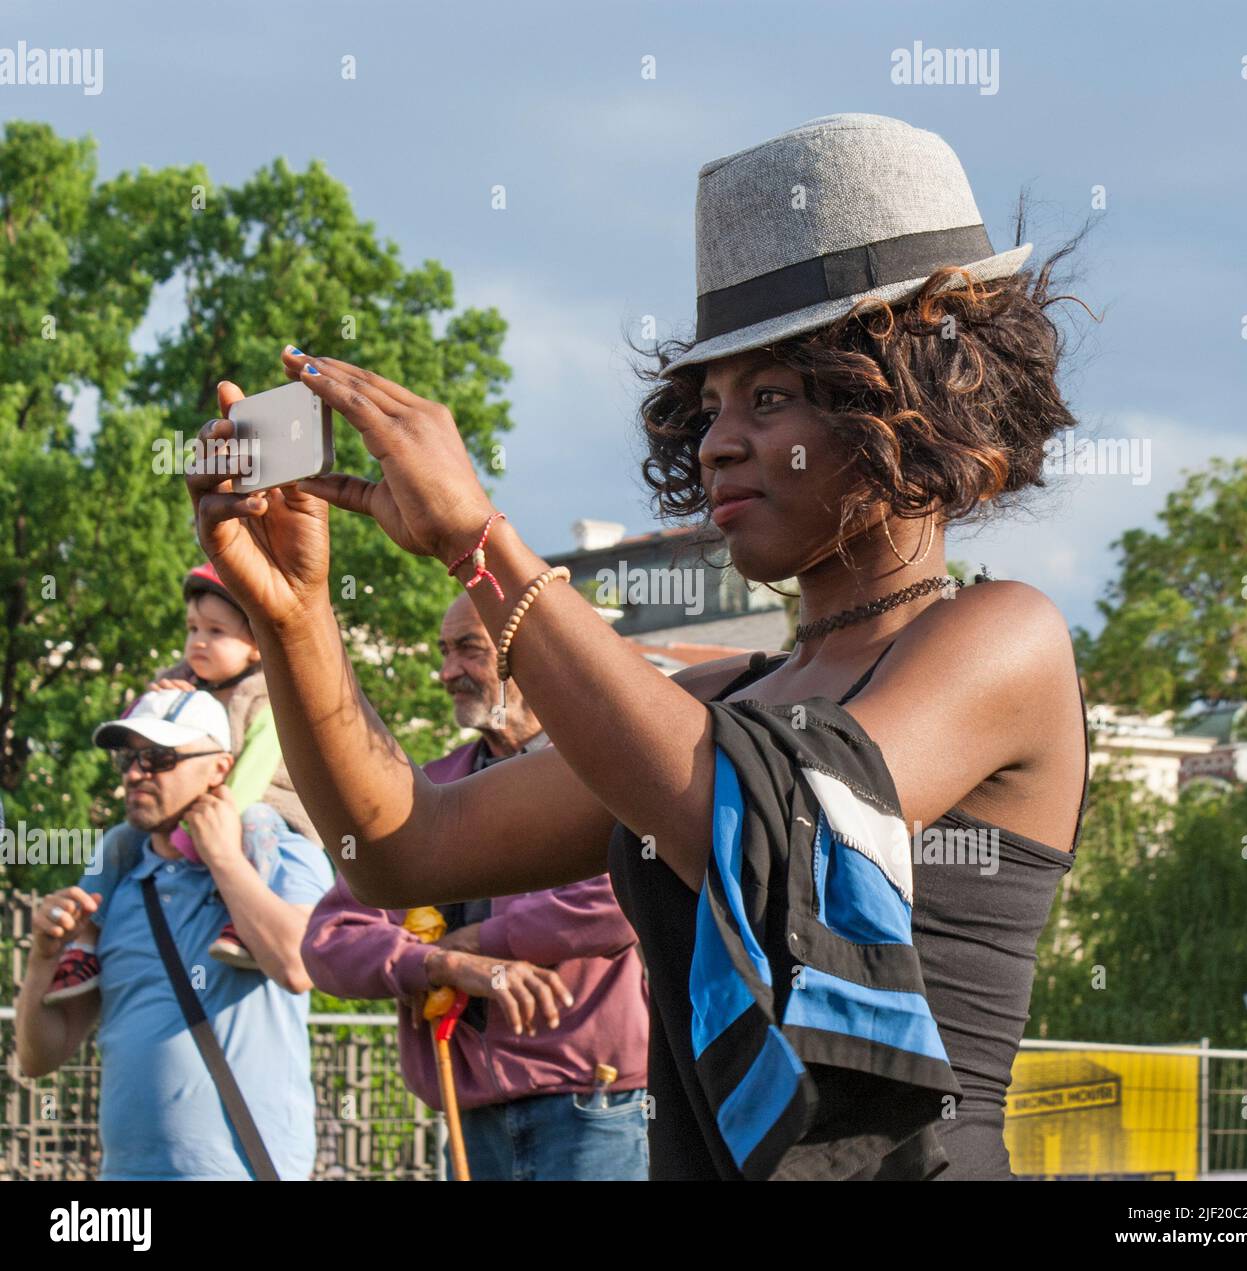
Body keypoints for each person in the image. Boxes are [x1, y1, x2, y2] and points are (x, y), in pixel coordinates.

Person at [186, 113, 1091, 1181]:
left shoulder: (1002, 636)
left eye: (769, 396)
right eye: (705, 406)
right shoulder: (716, 700)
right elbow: (398, 849)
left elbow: (758, 820)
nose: (715, 441)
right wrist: (296, 618)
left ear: (908, 397)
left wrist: (483, 545)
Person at [302, 594, 650, 1181]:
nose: (446, 672)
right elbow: (330, 941)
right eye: (444, 651)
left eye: (469, 649)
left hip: (598, 1111)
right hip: (470, 1119)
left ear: (532, 655)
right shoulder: (427, 792)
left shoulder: (607, 768)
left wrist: (480, 940)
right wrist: (440, 964)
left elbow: (620, 898)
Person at [15, 688, 333, 1180]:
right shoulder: (118, 887)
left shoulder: (279, 854)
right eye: (128, 759)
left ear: (220, 769)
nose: (136, 774)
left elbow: (297, 967)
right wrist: (41, 959)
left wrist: (225, 859)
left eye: (160, 758)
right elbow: (40, 1057)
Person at [43, 562, 322, 1001]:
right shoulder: (179, 682)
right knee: (118, 840)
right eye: (193, 629)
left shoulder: (269, 695)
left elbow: (252, 769)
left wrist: (208, 828)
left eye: (216, 631)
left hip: (259, 802)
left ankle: (246, 921)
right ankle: (84, 942)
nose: (198, 642)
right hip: (188, 814)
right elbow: (135, 732)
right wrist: (163, 702)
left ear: (255, 645)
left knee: (256, 822)